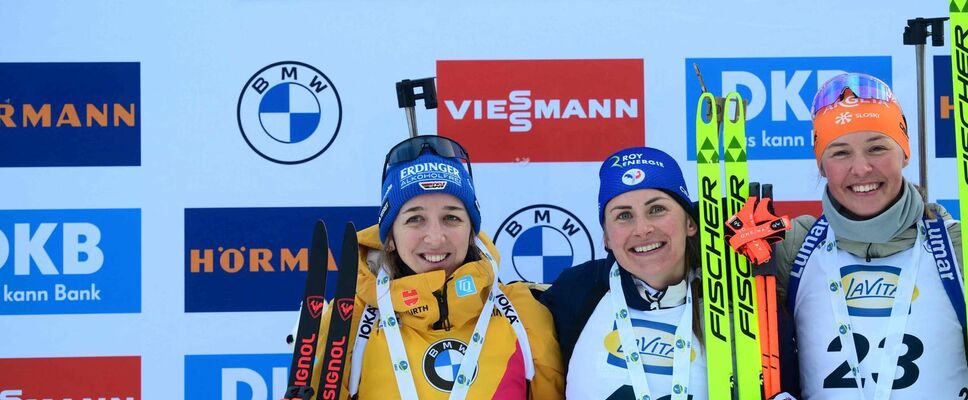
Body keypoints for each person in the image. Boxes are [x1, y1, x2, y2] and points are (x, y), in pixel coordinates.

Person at [762, 73, 968, 400]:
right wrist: (705, 234)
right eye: (840, 152)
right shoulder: (791, 250)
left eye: (877, 147)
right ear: (822, 165)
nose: (861, 168)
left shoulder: (961, 247)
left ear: (905, 154)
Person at [312, 135, 564, 399]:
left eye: (451, 217)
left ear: (471, 231)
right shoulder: (350, 319)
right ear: (389, 238)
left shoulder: (523, 313)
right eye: (415, 219)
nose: (435, 237)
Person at [541, 147, 799, 399]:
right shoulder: (576, 292)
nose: (642, 229)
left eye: (657, 210)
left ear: (690, 222)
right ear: (607, 237)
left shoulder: (738, 293)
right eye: (623, 216)